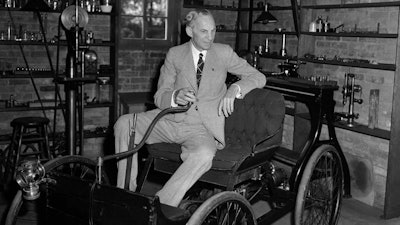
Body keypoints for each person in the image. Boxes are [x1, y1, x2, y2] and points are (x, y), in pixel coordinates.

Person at [114, 9, 266, 207]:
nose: (210, 37)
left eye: (213, 31)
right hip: (169, 120)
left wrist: (235, 88)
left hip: (200, 128)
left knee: (204, 154)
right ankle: (123, 198)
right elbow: (160, 96)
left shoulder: (223, 53)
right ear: (189, 31)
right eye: (204, 31)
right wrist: (175, 96)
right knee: (125, 124)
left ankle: (161, 205)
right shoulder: (175, 54)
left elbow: (258, 77)